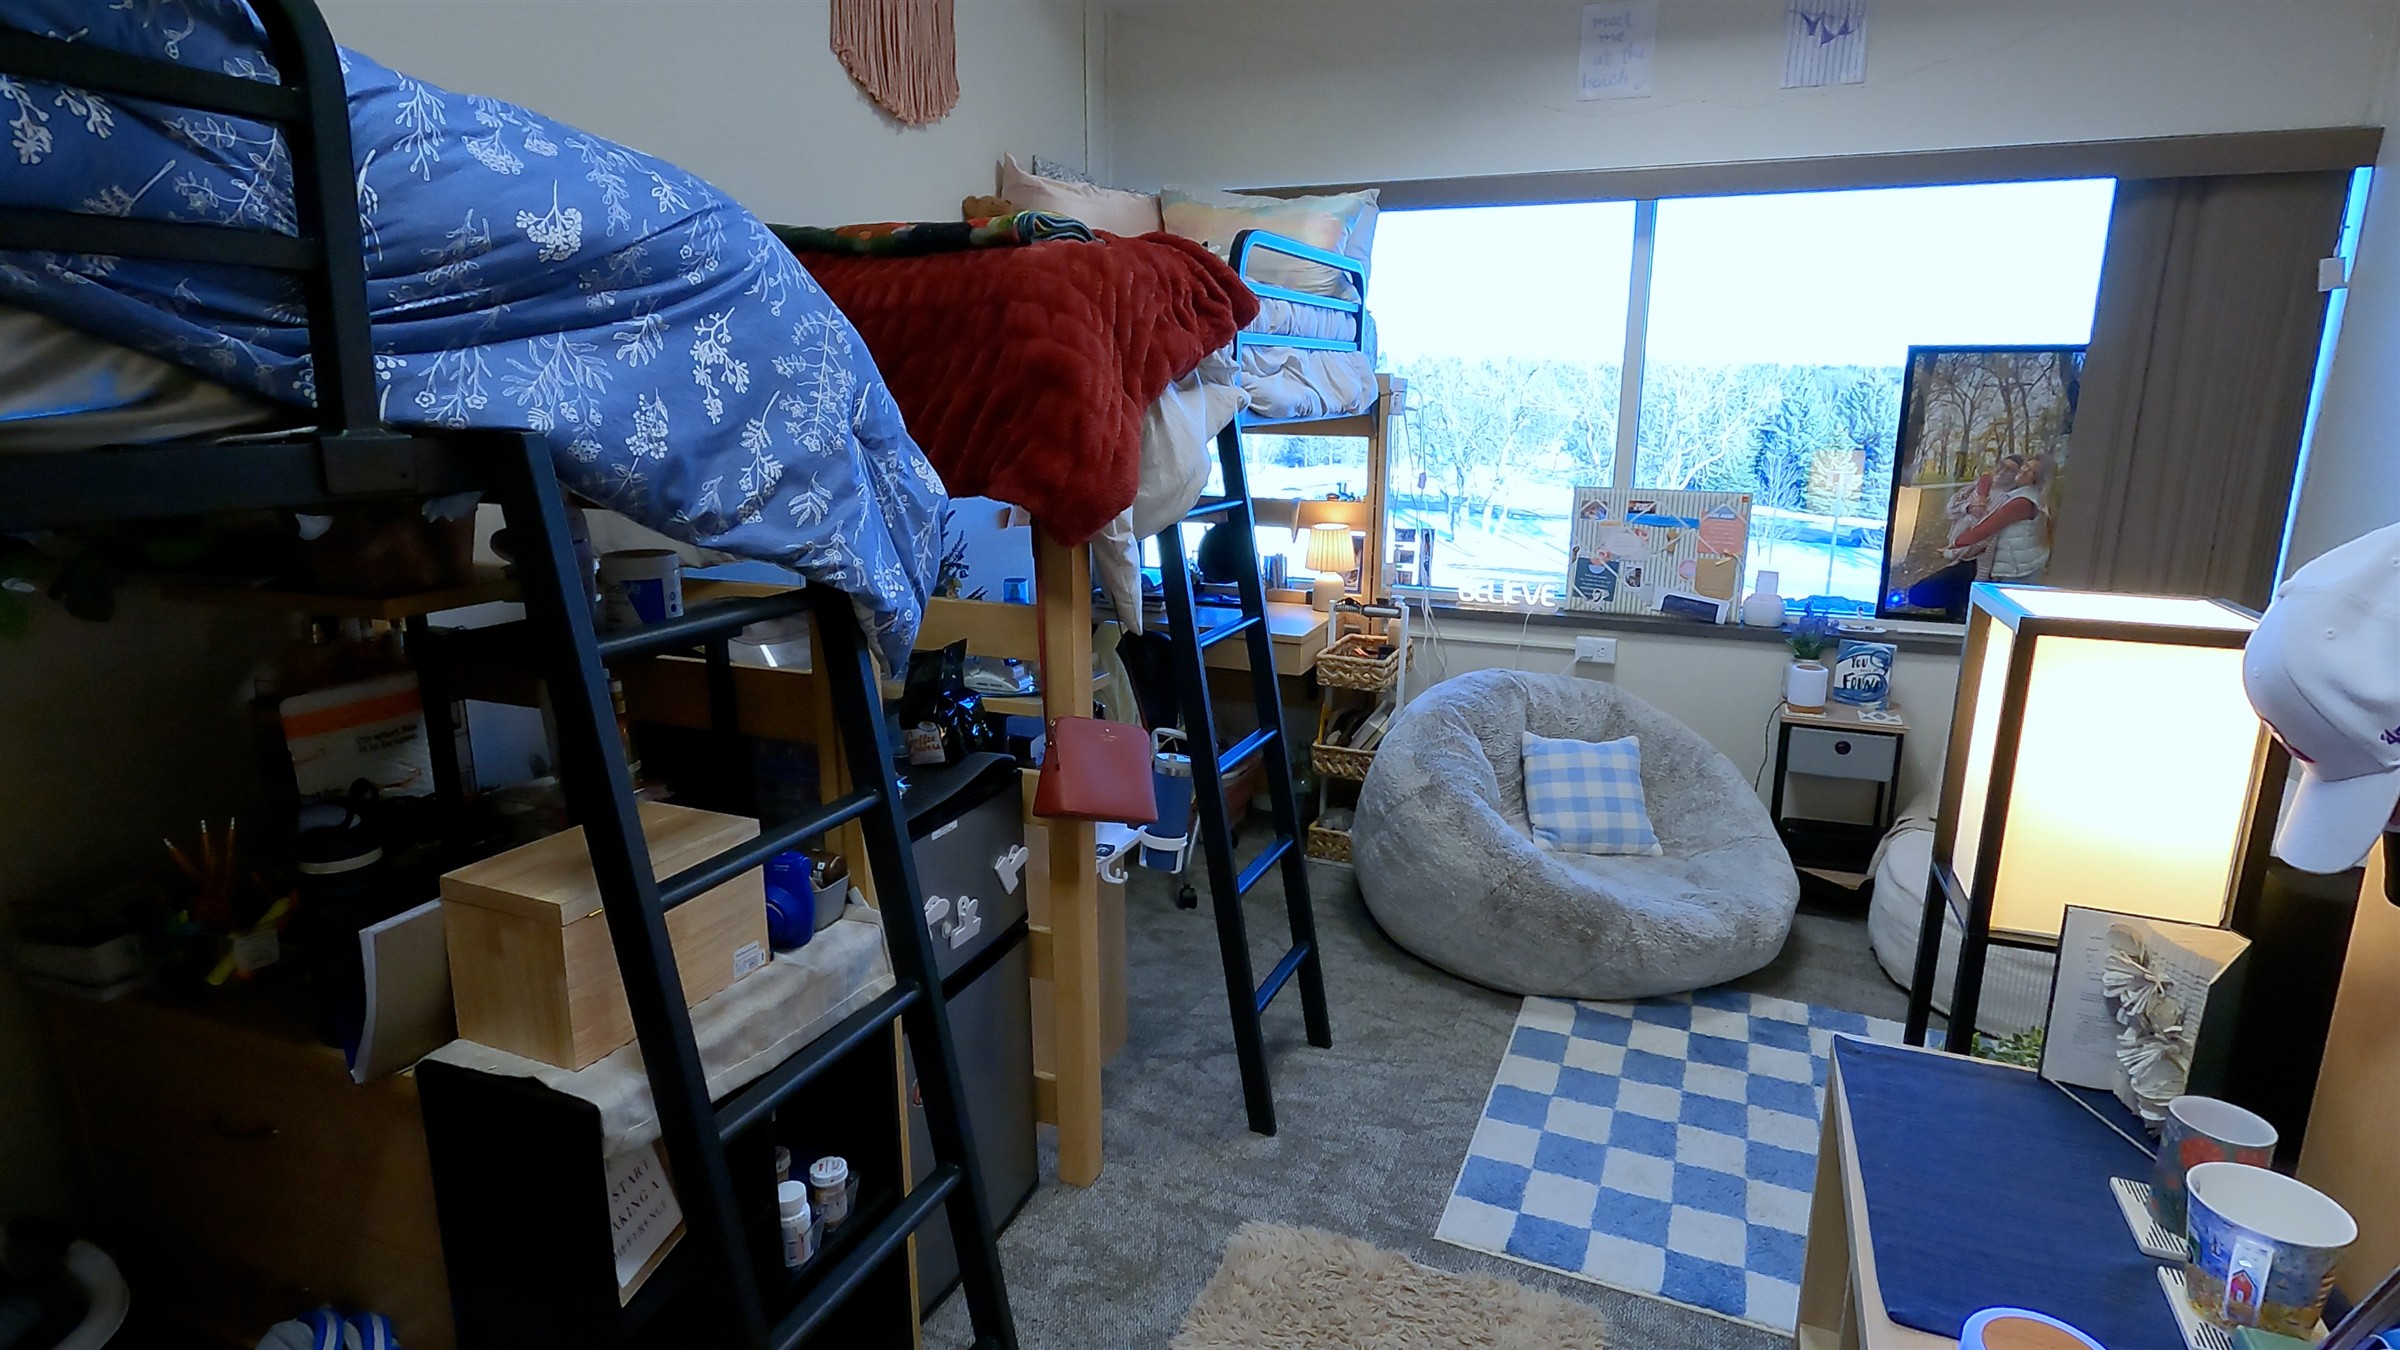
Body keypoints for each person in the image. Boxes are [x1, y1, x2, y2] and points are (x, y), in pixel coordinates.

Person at [1944, 453, 2052, 582]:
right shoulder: (2021, 494)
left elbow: (1984, 530)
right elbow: (1985, 478)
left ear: (2038, 480)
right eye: (2027, 466)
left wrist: (1952, 546)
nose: (2024, 471)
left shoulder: (2022, 502)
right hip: (2017, 563)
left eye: (2032, 472)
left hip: (2017, 571)